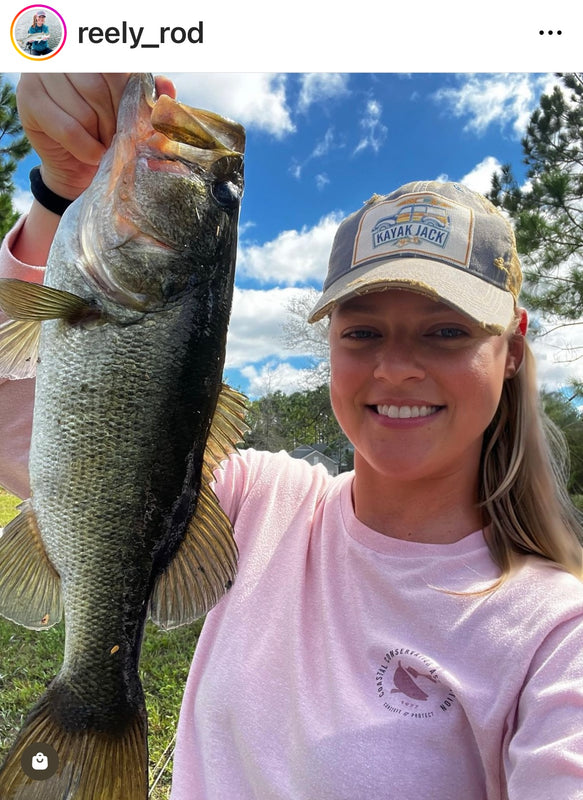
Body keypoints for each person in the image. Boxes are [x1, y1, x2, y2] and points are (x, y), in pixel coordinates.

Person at [1, 73, 582, 800]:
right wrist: (63, 191)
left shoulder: (556, 636)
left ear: (512, 351)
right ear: (330, 343)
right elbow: (23, 424)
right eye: (363, 332)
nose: (396, 369)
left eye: (446, 332)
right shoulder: (258, 502)